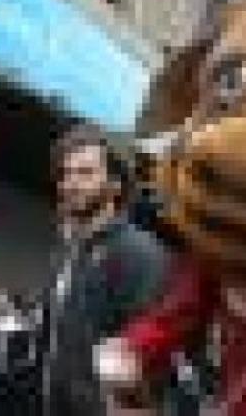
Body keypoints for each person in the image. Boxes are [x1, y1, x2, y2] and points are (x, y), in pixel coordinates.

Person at [37, 124, 170, 415]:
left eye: (85, 173)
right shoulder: (66, 252)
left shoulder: (139, 253)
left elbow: (146, 357)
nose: (71, 184)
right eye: (66, 174)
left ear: (115, 185)